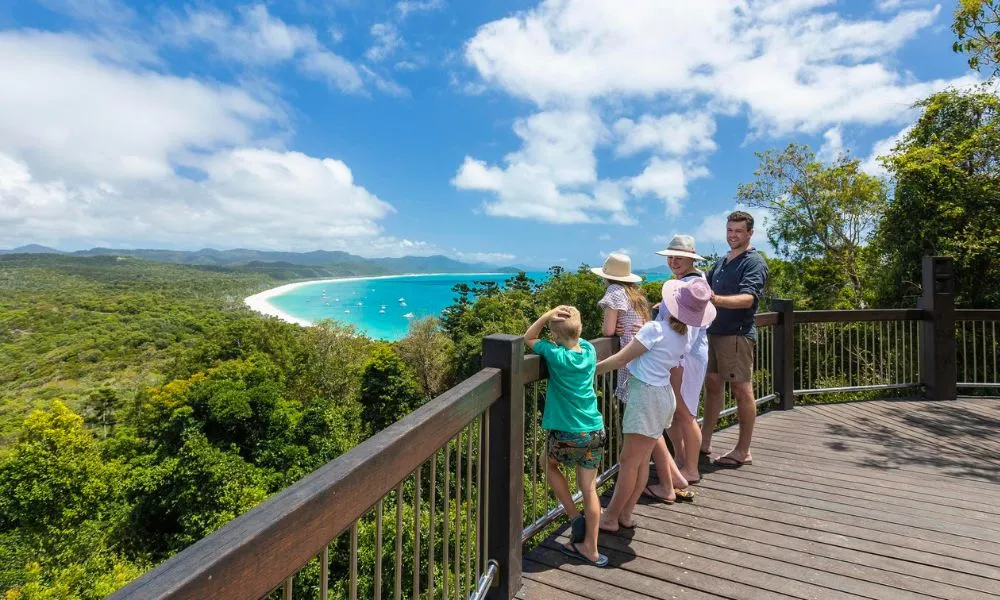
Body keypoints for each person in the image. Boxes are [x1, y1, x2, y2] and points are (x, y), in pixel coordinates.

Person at [595, 279, 716, 534]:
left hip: (645, 397)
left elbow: (623, 358)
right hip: (663, 396)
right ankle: (626, 514)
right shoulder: (681, 335)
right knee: (639, 462)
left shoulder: (654, 329)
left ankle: (611, 517)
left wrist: (590, 370)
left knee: (629, 462)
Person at [593, 254, 690, 501]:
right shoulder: (635, 295)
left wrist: (610, 333)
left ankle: (666, 485)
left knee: (643, 431)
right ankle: (675, 478)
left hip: (633, 363)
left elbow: (607, 329)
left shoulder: (614, 291)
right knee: (650, 430)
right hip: (647, 363)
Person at [524, 305, 609, 568]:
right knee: (589, 488)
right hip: (595, 429)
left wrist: (546, 316)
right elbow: (574, 337)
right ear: (580, 330)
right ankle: (591, 549)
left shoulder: (555, 355)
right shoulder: (589, 350)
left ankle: (573, 516)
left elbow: (528, 338)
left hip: (567, 431)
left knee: (548, 464)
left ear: (555, 336)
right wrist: (570, 321)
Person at [701, 211, 768, 468]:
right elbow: (699, 285)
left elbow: (749, 298)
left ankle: (743, 450)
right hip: (714, 332)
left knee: (742, 390)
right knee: (713, 387)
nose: (733, 235)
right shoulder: (722, 262)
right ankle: (704, 442)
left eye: (739, 231)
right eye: (730, 230)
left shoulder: (753, 262)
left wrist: (715, 300)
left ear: (750, 233)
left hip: (737, 335)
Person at [655, 235, 711, 484]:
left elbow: (690, 329)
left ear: (691, 257)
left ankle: (691, 468)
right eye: (671, 257)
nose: (674, 261)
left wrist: (673, 356)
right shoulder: (693, 280)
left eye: (679, 257)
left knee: (685, 412)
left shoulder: (690, 284)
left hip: (683, 357)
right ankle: (681, 460)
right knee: (674, 411)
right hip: (684, 355)